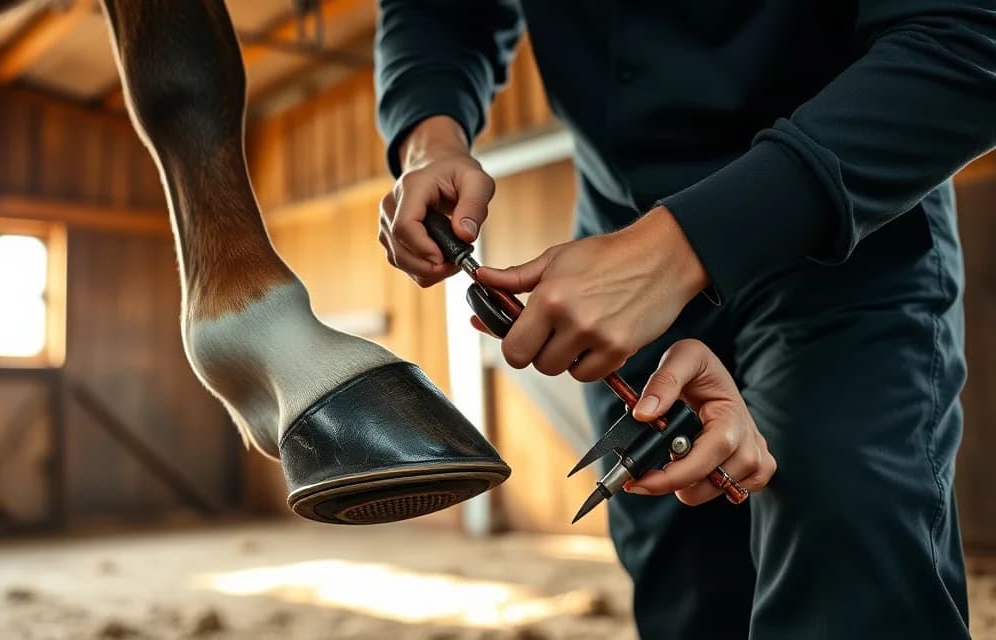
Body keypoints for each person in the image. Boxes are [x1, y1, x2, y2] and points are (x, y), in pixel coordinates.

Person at [373, 2, 995, 638]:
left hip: (854, 225)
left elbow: (971, 32)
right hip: (619, 234)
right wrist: (429, 136)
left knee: (846, 548)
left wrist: (677, 250)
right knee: (685, 590)